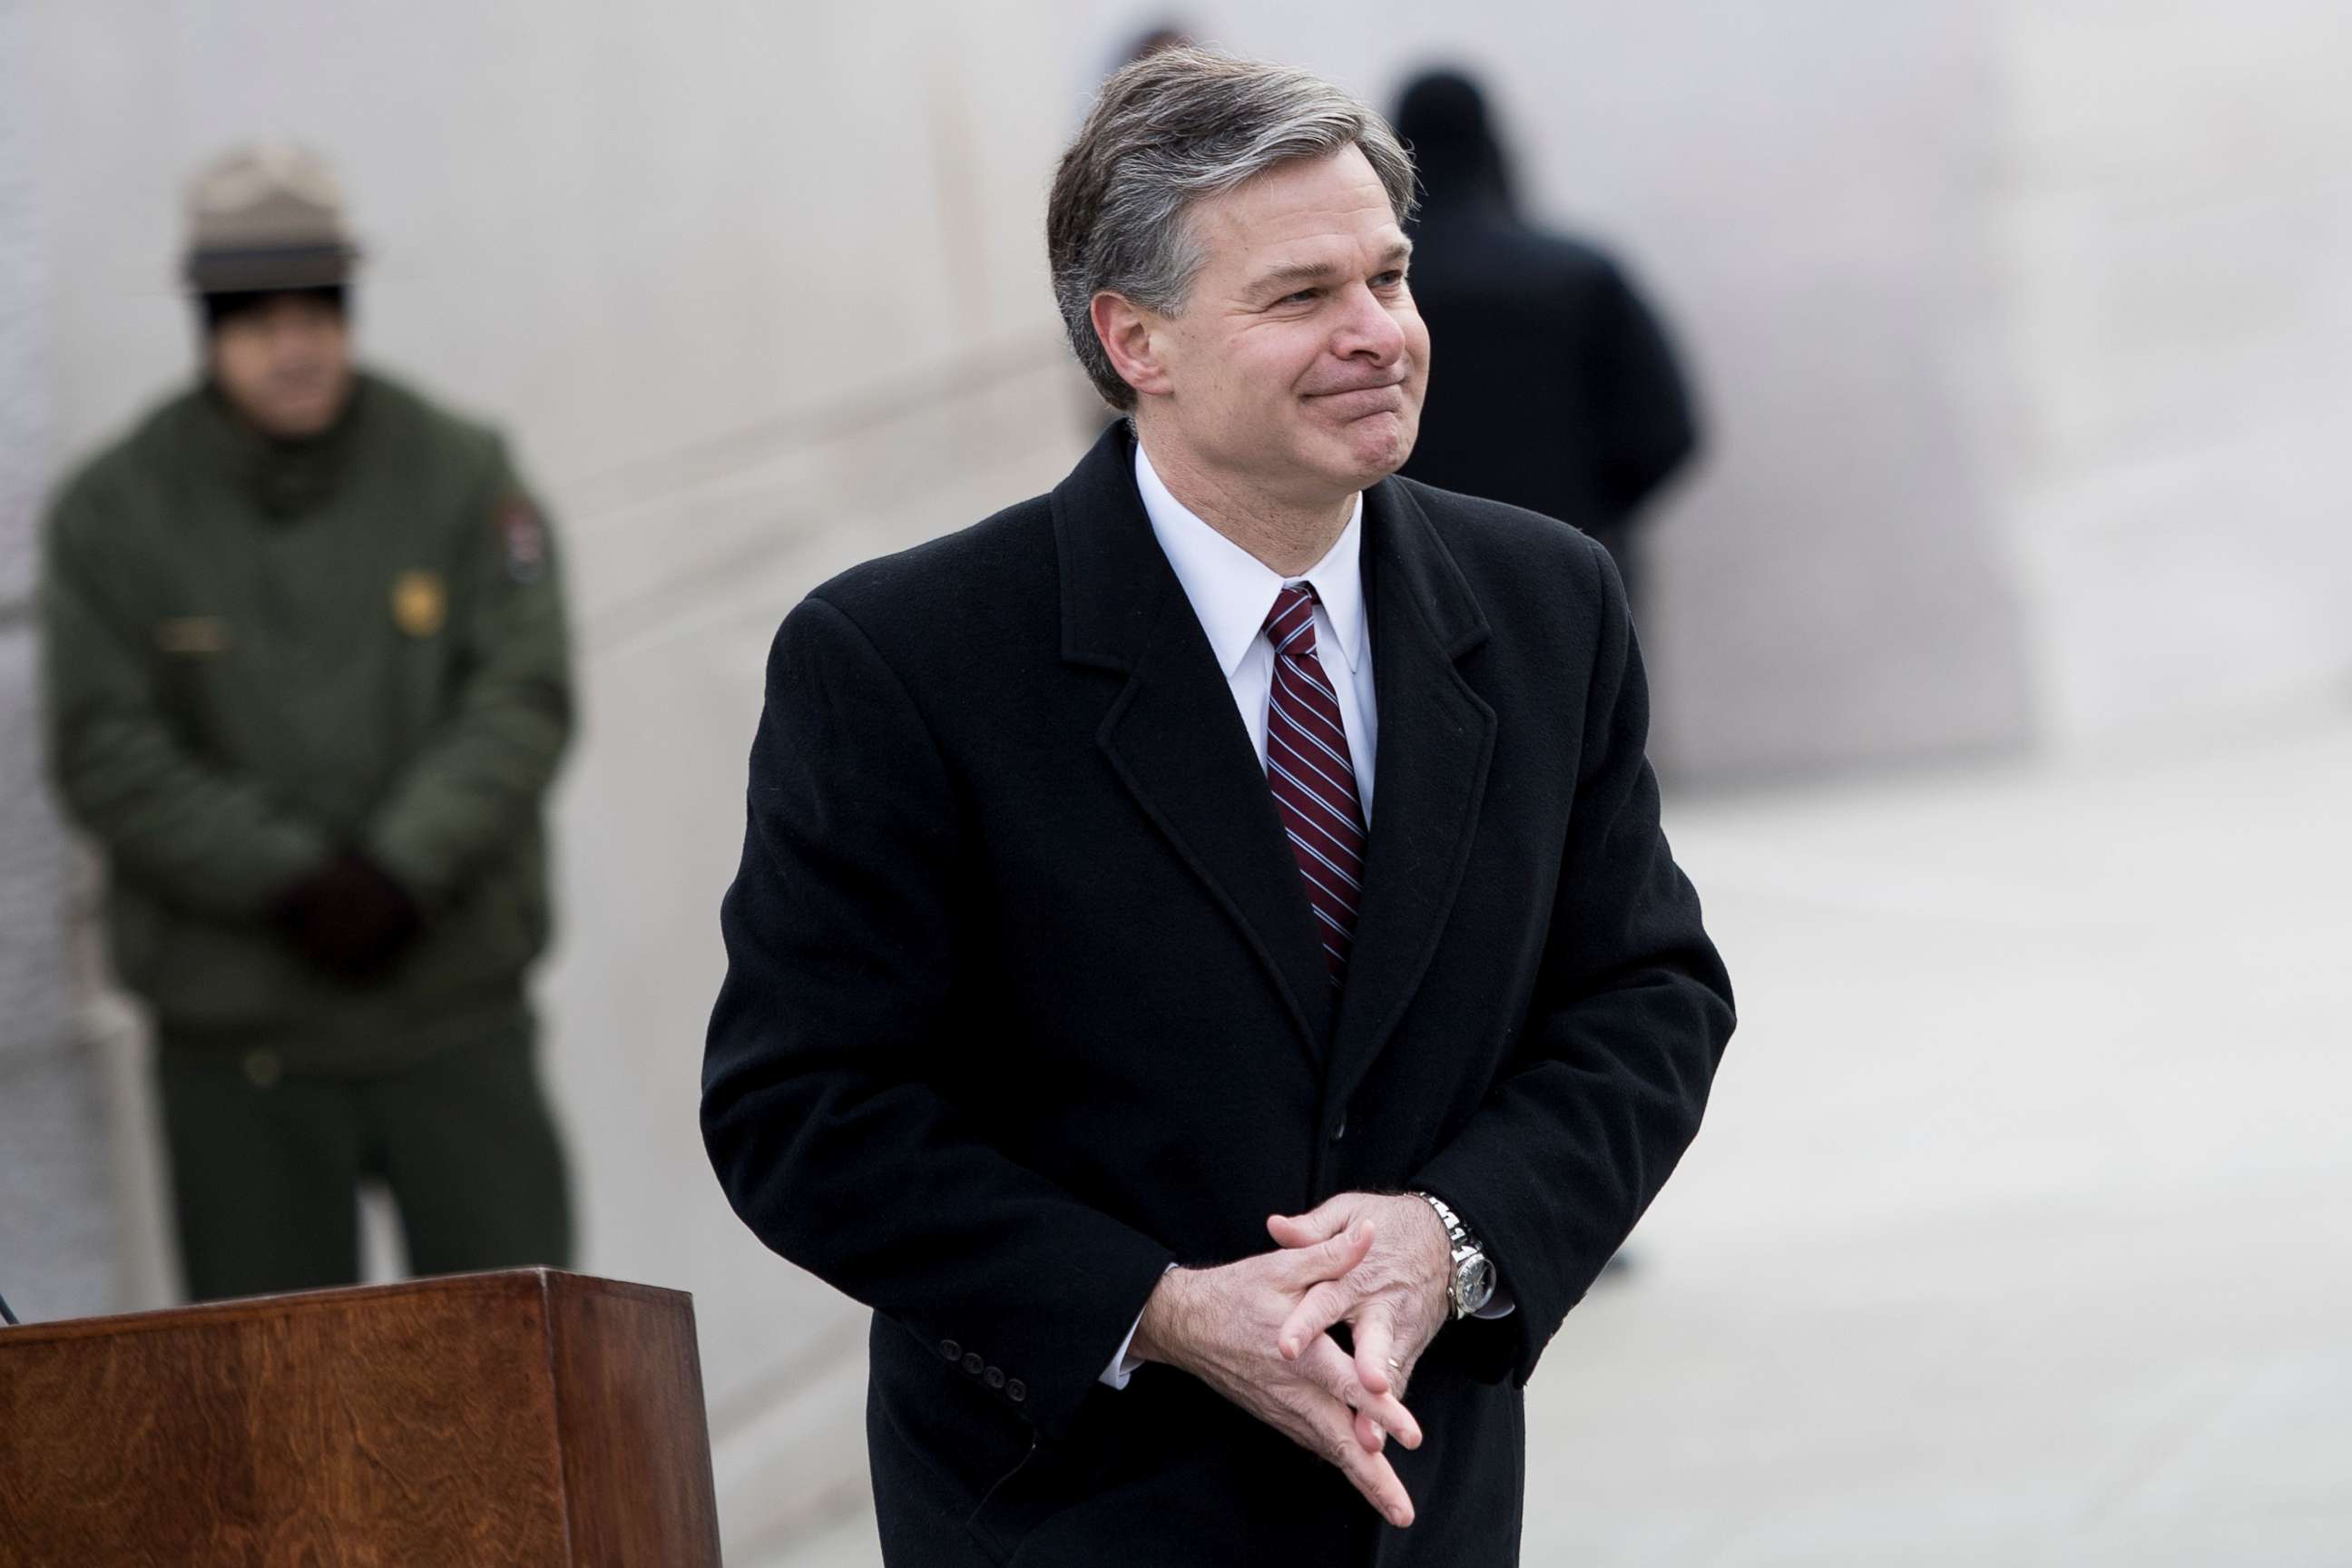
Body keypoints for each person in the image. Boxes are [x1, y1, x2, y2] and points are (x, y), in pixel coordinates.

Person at [703, 48, 1733, 1566]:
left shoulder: (1545, 606)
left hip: (1423, 1514)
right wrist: (1163, 1308)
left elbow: (1645, 994)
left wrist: (1448, 1237)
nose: (1377, 333)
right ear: (1137, 341)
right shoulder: (902, 661)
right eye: (1300, 296)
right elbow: (804, 1108)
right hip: (1070, 1511)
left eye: (1387, 275)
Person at [41, 144, 575, 1302]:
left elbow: (521, 694)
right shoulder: (115, 514)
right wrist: (290, 879)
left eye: (319, 305)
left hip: (453, 1020)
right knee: (272, 1423)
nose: (294, 343)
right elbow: (105, 748)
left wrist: (398, 867)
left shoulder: (459, 473)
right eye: (255, 313)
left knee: (520, 1398)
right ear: (206, 322)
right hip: (242, 1049)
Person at [1393, 68, 1699, 612]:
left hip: (1409, 579)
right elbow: (1667, 431)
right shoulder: (1581, 275)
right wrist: (1586, 513)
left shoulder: (1375, 289)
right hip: (1571, 582)